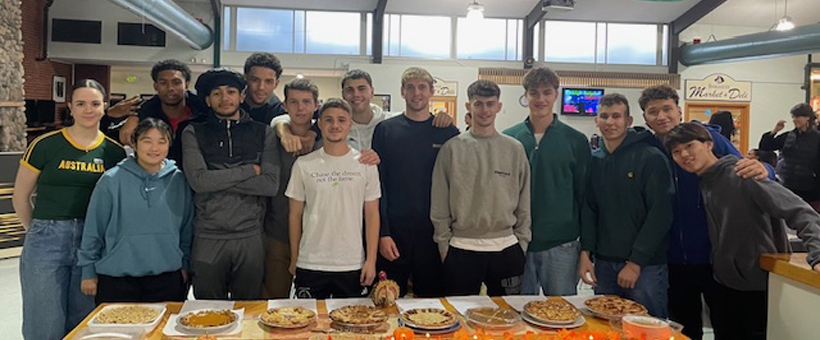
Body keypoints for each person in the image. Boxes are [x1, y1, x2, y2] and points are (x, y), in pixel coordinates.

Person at [638, 84, 772, 340]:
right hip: (673, 257)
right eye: (653, 112)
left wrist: (767, 169)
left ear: (679, 111)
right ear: (646, 118)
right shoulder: (647, 147)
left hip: (715, 255)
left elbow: (744, 166)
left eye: (667, 109)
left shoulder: (704, 138)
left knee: (727, 324)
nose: (661, 116)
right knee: (683, 327)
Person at [664, 122, 820, 340]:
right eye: (676, 152)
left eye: (690, 146)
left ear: (709, 144)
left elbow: (801, 211)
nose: (684, 155)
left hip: (756, 288)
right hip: (726, 286)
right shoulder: (706, 183)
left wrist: (817, 255)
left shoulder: (741, 174)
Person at [13, 79, 126, 340]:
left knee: (84, 318)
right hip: (46, 238)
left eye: (95, 103)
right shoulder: (45, 145)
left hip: (92, 241)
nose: (88, 109)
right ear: (70, 108)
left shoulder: (114, 152)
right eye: (81, 104)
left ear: (104, 107)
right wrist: (36, 231)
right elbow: (21, 196)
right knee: (44, 320)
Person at [182, 68, 280, 300]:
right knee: (207, 313)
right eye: (217, 93)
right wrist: (248, 171)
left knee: (248, 312)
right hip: (208, 236)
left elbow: (269, 185)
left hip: (250, 237)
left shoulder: (263, 132)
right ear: (207, 99)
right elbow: (199, 181)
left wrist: (216, 177)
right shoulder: (193, 131)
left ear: (241, 97)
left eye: (231, 92)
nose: (225, 98)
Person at [578, 93, 674, 318]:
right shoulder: (594, 160)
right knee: (606, 327)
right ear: (596, 121)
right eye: (604, 116)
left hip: (645, 268)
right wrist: (585, 254)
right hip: (604, 263)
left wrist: (636, 263)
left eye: (616, 116)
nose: (610, 122)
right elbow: (590, 209)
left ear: (628, 121)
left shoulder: (651, 158)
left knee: (647, 327)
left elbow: (661, 213)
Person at [431, 80, 531, 296]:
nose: (484, 110)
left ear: (498, 106)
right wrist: (443, 245)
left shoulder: (514, 149)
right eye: (478, 104)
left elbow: (524, 201)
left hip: (507, 249)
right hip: (461, 248)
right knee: (459, 320)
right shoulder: (452, 149)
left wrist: (522, 242)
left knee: (506, 320)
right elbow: (439, 203)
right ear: (469, 106)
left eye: (490, 104)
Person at [78, 118, 193, 304]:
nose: (154, 148)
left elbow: (187, 227)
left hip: (167, 277)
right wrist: (88, 271)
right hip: (117, 278)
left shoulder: (179, 180)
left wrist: (185, 265)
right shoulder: (111, 180)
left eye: (161, 141)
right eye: (147, 140)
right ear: (135, 144)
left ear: (169, 145)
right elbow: (94, 228)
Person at [372, 67, 460, 297]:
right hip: (395, 234)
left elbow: (456, 185)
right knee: (387, 302)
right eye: (410, 88)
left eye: (422, 87)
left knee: (432, 306)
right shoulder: (386, 131)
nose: (416, 93)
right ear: (402, 92)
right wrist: (383, 232)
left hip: (434, 234)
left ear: (431, 91)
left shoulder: (448, 132)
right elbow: (377, 185)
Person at [503, 67, 590, 296]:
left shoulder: (576, 141)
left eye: (547, 92)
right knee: (517, 315)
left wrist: (586, 249)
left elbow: (585, 197)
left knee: (563, 314)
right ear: (525, 96)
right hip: (517, 243)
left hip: (562, 244)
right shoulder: (510, 139)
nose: (540, 99)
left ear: (556, 95)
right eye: (534, 93)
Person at [286, 98, 381, 299]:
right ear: (319, 124)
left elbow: (372, 214)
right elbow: (294, 215)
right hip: (310, 261)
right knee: (308, 326)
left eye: (341, 120)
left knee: (352, 325)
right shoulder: (304, 164)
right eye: (328, 120)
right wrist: (295, 257)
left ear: (350, 124)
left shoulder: (366, 164)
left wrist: (371, 260)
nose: (335, 125)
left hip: (352, 263)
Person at [271, 69, 453, 153]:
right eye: (350, 90)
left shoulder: (390, 122)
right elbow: (281, 119)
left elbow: (416, 120)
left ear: (372, 92)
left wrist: (441, 117)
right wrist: (285, 132)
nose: (356, 95)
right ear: (343, 94)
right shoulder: (332, 126)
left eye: (361, 89)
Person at [263, 78, 323, 298]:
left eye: (306, 102)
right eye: (294, 102)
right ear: (285, 105)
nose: (300, 108)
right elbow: (276, 123)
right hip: (277, 232)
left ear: (316, 105)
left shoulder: (326, 139)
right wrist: (283, 131)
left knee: (314, 305)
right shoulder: (272, 136)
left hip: (316, 236)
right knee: (274, 300)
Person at [109, 59, 208, 163]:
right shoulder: (143, 115)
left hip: (196, 176)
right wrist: (109, 115)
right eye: (163, 83)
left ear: (186, 85)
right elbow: (102, 139)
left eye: (176, 82)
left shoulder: (204, 113)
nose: (170, 88)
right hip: (152, 176)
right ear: (156, 86)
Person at [758, 103, 820, 205]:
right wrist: (775, 130)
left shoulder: (817, 138)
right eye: (793, 117)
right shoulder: (789, 135)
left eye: (798, 116)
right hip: (788, 184)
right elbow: (765, 147)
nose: (795, 119)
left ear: (807, 117)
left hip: (810, 188)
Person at [241, 52, 287, 124]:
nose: (261, 87)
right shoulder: (231, 107)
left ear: (276, 84)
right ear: (245, 79)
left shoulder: (282, 114)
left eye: (268, 82)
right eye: (255, 80)